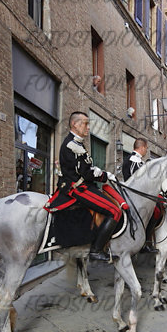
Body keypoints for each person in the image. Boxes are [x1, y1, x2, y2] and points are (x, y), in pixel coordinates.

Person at [58, 111, 120, 262]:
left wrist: (101, 173)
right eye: (85, 123)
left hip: (84, 185)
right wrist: (104, 176)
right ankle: (96, 250)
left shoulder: (78, 143)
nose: (88, 127)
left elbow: (87, 168)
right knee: (115, 211)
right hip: (77, 187)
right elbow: (85, 173)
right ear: (74, 124)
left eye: (88, 124)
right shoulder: (71, 144)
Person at [122, 138, 159, 253]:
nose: (146, 151)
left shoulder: (133, 159)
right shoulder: (135, 160)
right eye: (146, 148)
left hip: (134, 194)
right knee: (155, 212)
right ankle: (145, 242)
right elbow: (139, 180)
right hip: (134, 195)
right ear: (142, 148)